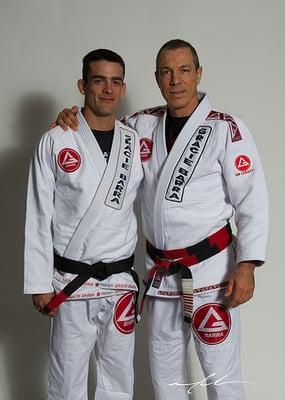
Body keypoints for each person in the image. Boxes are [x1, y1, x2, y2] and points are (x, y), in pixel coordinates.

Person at [55, 39, 268, 400]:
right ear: (156, 78)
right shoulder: (141, 124)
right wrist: (69, 119)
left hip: (212, 272)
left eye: (184, 70)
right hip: (162, 277)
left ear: (198, 74)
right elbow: (98, 132)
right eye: (166, 72)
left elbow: (252, 200)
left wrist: (246, 265)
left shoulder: (225, 128)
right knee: (166, 379)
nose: (176, 80)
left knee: (222, 376)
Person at [24, 49, 143, 400]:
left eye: (116, 82)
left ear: (123, 89)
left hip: (120, 282)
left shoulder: (137, 142)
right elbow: (37, 214)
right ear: (82, 85)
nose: (108, 89)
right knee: (66, 381)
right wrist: (38, 281)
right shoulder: (56, 140)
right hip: (72, 283)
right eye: (99, 80)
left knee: (119, 382)